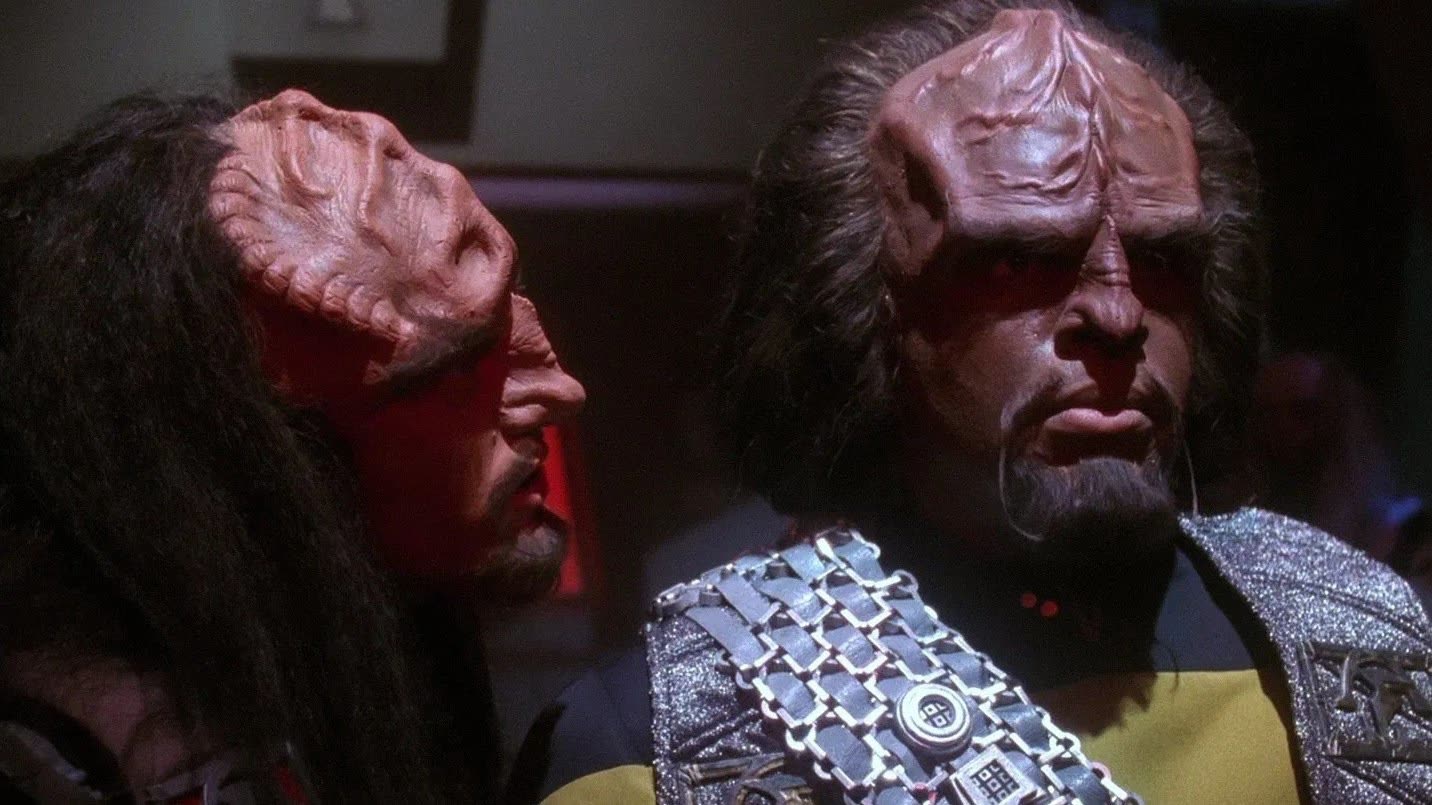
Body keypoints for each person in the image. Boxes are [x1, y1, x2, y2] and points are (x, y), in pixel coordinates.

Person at [512, 2, 1432, 803]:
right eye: (1018, 260)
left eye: (1164, 261)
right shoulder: (662, 746)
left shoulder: (1360, 642)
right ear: (862, 308)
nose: (1119, 316)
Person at [0, 89, 583, 803]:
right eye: (458, 373)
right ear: (280, 451)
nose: (560, 390)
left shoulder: (355, 646)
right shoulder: (114, 756)